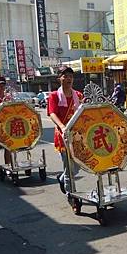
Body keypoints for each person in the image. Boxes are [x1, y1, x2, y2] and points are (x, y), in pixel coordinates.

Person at [48, 67, 83, 195]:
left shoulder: (78, 95)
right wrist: (62, 126)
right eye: (65, 76)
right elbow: (52, 113)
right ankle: (71, 196)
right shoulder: (54, 96)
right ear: (59, 78)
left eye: (71, 76)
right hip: (63, 136)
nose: (69, 79)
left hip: (78, 135)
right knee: (69, 168)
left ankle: (61, 178)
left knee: (80, 163)